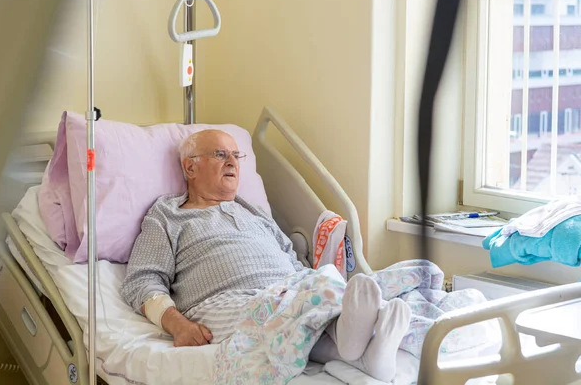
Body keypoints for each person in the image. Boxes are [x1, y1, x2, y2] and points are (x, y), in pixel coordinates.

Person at [120, 129, 411, 382]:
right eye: (220, 154)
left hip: (287, 291)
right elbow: (142, 280)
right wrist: (177, 324)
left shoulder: (254, 212)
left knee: (321, 286)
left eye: (236, 155)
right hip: (223, 302)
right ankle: (357, 347)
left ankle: (363, 352)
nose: (233, 161)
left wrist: (309, 282)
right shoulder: (167, 215)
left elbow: (292, 259)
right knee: (285, 306)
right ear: (191, 168)